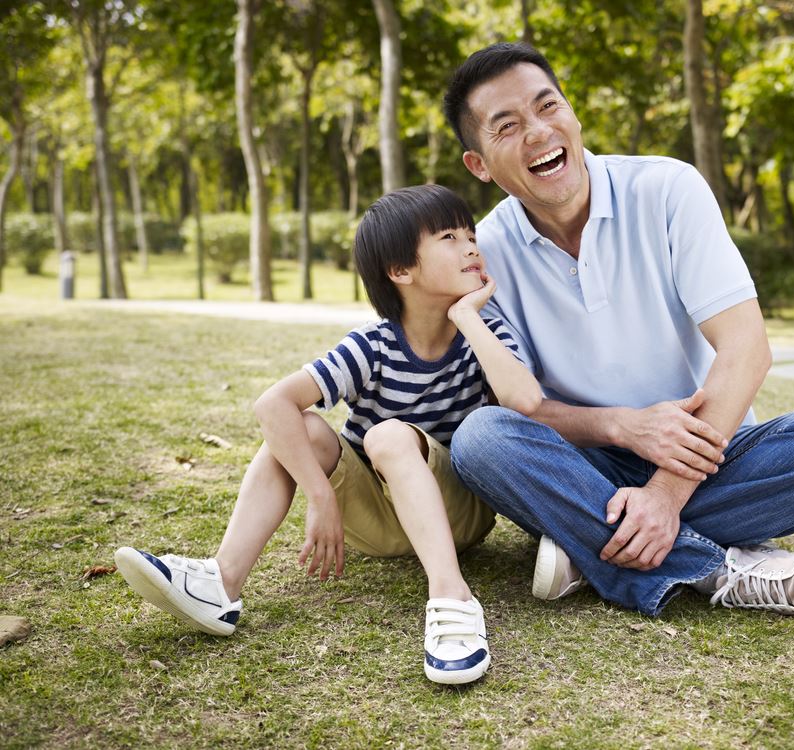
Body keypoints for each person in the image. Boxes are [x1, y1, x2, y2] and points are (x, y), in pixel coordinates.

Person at [442, 43, 794, 621]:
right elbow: (522, 406)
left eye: (548, 106)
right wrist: (624, 427)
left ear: (573, 113)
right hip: (584, 462)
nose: (538, 132)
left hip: (708, 450)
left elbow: (746, 349)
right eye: (507, 126)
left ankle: (591, 545)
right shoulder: (483, 255)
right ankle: (720, 570)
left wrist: (664, 494)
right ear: (479, 165)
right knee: (482, 439)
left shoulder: (667, 189)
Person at [115, 185, 542, 685]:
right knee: (302, 430)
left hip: (458, 518)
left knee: (387, 436)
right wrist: (319, 495)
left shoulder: (484, 331)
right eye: (450, 237)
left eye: (471, 234)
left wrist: (467, 316)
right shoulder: (374, 342)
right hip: (374, 517)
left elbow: (525, 401)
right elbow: (273, 404)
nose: (472, 246)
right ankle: (221, 582)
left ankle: (452, 597)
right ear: (401, 271)